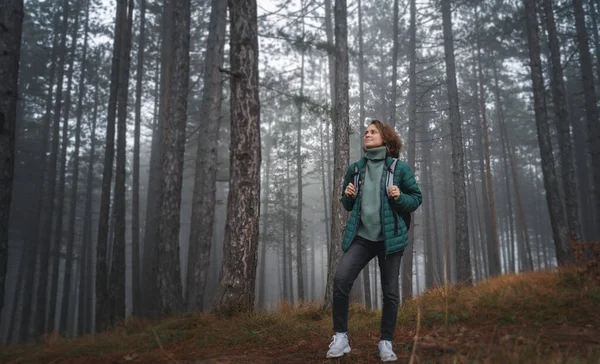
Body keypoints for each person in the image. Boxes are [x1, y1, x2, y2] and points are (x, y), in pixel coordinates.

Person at [326, 120, 422, 362]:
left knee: (390, 292)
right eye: (366, 132)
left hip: (390, 240)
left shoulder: (399, 169)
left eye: (373, 131)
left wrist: (400, 197)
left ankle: (386, 342)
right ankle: (341, 337)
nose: (367, 134)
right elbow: (347, 204)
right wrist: (348, 196)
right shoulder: (357, 169)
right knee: (340, 280)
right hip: (362, 237)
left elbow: (416, 198)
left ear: (386, 139)